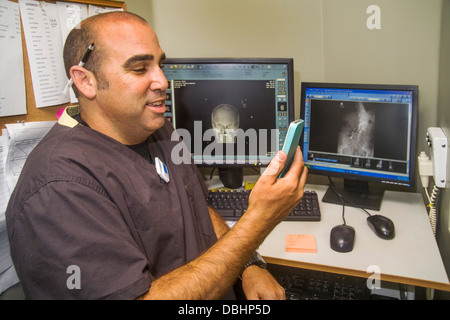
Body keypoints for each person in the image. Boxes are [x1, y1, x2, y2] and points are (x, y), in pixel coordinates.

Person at [6, 11, 308, 300]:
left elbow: (198, 208)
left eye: (159, 65)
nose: (162, 81)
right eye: (139, 68)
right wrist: (257, 223)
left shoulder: (159, 129)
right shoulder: (60, 187)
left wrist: (247, 265)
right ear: (86, 81)